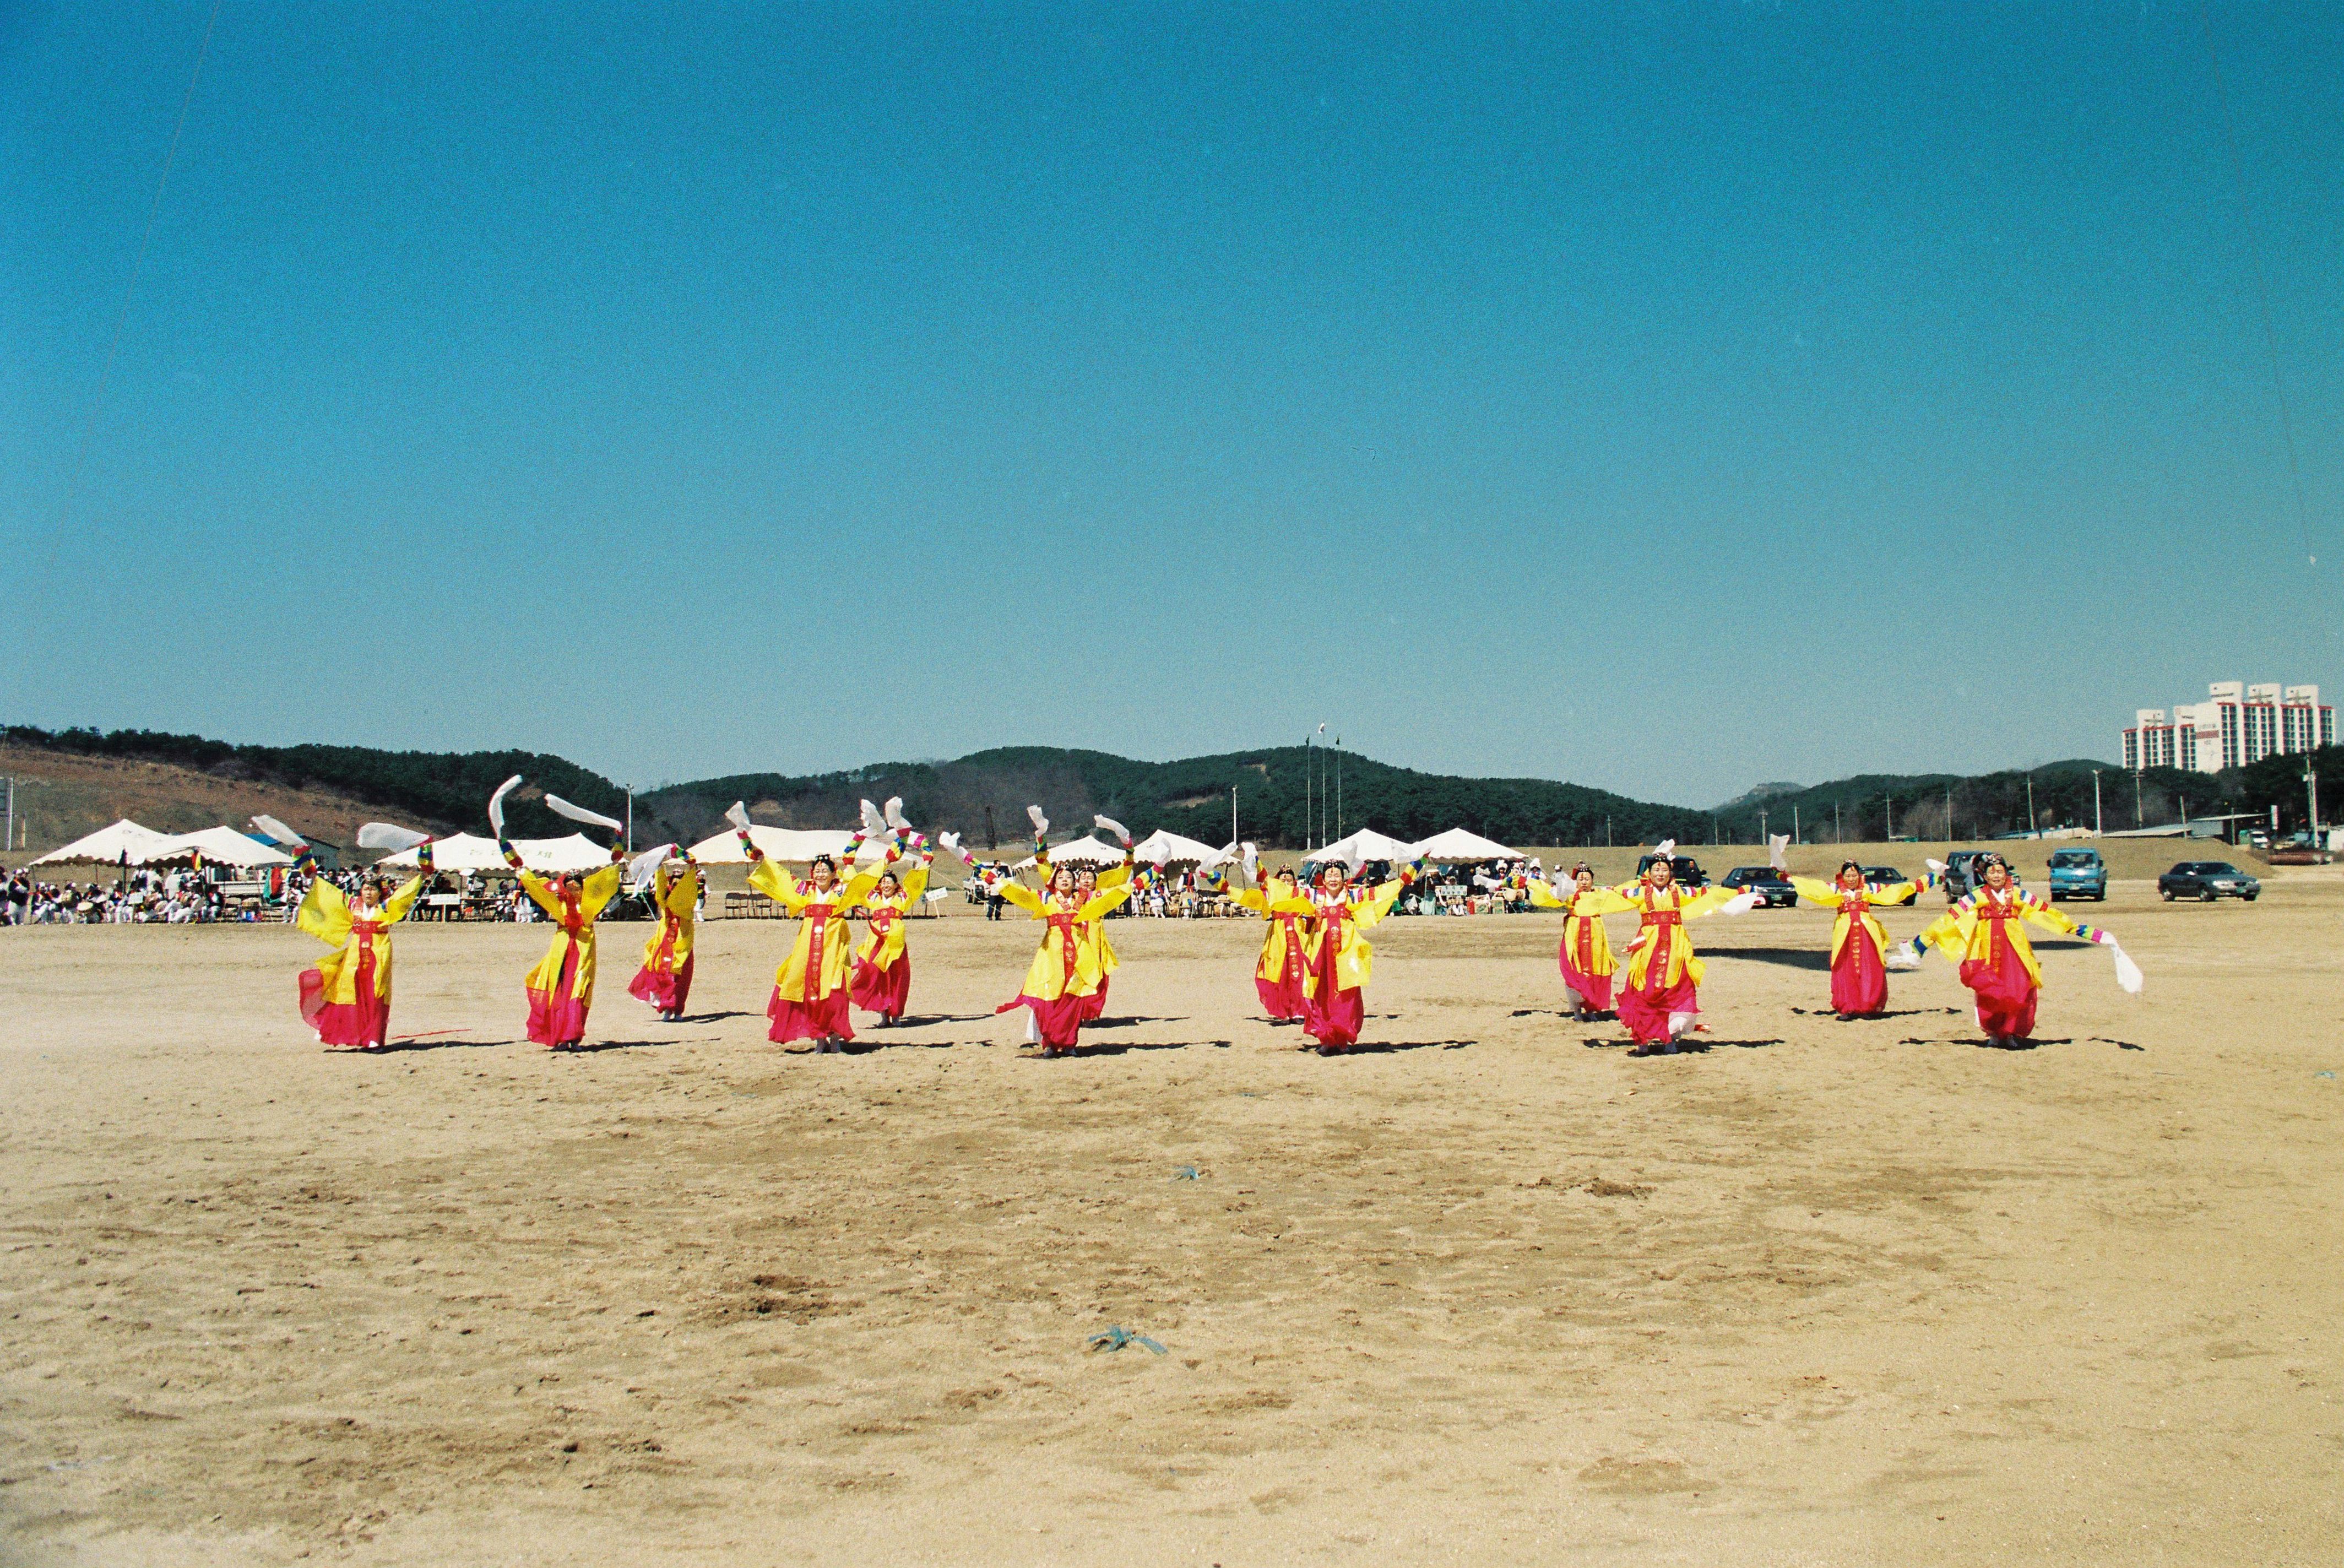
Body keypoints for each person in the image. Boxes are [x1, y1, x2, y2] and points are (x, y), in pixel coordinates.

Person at [1909, 854, 2134, 1046]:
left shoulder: (2019, 895)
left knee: (2017, 988)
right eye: (1992, 872)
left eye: (2000, 871)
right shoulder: (1977, 896)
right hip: (1986, 950)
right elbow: (1949, 920)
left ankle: (2009, 1032)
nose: (1996, 876)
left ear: (2007, 874)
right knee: (1990, 991)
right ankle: (1994, 1032)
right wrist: (1920, 945)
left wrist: (2088, 932)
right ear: (1984, 876)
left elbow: (2047, 914)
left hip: (2014, 950)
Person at [744, 831, 886, 1052]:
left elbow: (863, 882)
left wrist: (886, 858)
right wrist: (758, 854)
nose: (820, 874)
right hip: (808, 948)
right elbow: (780, 876)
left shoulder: (842, 891)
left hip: (834, 948)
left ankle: (835, 1037)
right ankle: (819, 1037)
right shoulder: (806, 890)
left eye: (825, 871)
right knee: (810, 991)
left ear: (833, 873)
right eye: (817, 871)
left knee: (835, 992)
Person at [1614, 850, 1757, 1056]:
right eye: (1656, 870)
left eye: (1665, 870)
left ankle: (1671, 1038)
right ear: (1649, 873)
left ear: (1671, 874)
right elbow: (1613, 895)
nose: (1660, 874)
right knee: (1644, 992)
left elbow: (1707, 893)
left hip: (1676, 950)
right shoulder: (1639, 893)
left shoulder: (1680, 893)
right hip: (1647, 952)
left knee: (1676, 992)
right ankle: (1643, 1039)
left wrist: (1737, 892)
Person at [994, 859, 1137, 1056]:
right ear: (1054, 881)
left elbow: (1115, 892)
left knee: (1073, 1002)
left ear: (1075, 882)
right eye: (1060, 877)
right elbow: (1019, 892)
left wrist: (1150, 873)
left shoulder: (1086, 899)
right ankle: (1050, 1044)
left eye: (1069, 877)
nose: (1064, 880)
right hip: (1052, 958)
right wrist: (991, 877)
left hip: (1078, 957)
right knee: (1049, 1001)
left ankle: (1070, 1044)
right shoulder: (1047, 899)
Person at [295, 850, 428, 1051]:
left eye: (372, 890)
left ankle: (374, 1037)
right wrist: (313, 876)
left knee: (376, 993)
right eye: (365, 889)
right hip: (355, 954)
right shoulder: (353, 905)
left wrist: (422, 876)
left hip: (378, 952)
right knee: (348, 990)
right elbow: (331, 894)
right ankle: (346, 1033)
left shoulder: (386, 907)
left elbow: (404, 894)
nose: (368, 893)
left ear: (380, 892)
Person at [504, 839, 627, 1049]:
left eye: (577, 886)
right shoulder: (557, 903)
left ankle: (573, 1035)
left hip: (583, 947)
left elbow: (607, 882)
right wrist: (519, 868)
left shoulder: (590, 903)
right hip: (562, 949)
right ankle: (559, 1035)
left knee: (578, 989)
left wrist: (616, 859)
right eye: (569, 886)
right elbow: (536, 887)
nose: (573, 890)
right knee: (558, 990)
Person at [1295, 858, 1414, 1055]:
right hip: (1321, 957)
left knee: (1346, 995)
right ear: (1323, 880)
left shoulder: (1353, 895)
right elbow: (1286, 893)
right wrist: (1262, 875)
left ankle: (1342, 1039)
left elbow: (1381, 893)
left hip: (1345, 954)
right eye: (1329, 876)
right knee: (1321, 995)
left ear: (1344, 879)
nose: (1333, 879)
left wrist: (1410, 872)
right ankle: (1326, 1038)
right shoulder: (1314, 896)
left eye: (1337, 875)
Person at [1788, 861, 1918, 1019]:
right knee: (1845, 968)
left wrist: (1923, 882)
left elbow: (1893, 891)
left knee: (1869, 968)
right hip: (1845, 936)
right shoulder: (1836, 891)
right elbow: (1814, 887)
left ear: (1859, 876)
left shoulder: (1869, 890)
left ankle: (1867, 1007)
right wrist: (1788, 878)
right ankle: (1848, 1008)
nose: (1851, 879)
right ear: (1842, 877)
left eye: (1854, 876)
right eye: (1848, 876)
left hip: (1866, 935)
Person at [1526, 861, 1629, 1018]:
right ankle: (1577, 1011)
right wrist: (1531, 883)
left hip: (1595, 937)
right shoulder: (1569, 894)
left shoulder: (1600, 894)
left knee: (1594, 970)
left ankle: (1592, 1009)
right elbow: (1548, 893)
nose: (1584, 882)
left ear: (1593, 881)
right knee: (1575, 971)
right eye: (1581, 879)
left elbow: (1619, 893)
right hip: (1574, 936)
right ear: (1576, 881)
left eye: (1587, 879)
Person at [1220, 851, 1313, 1021]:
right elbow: (1248, 897)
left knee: (1301, 972)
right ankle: (1284, 1009)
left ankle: (1300, 1010)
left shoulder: (1302, 893)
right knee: (1279, 972)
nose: (1286, 883)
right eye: (1283, 880)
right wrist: (1225, 887)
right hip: (1278, 936)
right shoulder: (1270, 895)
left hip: (1299, 935)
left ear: (1295, 881)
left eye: (1289, 880)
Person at [850, 840, 934, 1026]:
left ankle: (896, 1014)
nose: (886, 885)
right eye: (883, 882)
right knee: (877, 975)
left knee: (897, 976)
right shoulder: (873, 898)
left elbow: (915, 885)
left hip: (895, 944)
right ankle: (883, 1014)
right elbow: (859, 886)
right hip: (877, 943)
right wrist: (849, 865)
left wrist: (926, 862)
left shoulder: (902, 899)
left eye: (889, 882)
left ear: (896, 885)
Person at [626, 850, 700, 1022]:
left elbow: (691, 887)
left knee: (682, 977)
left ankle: (678, 1009)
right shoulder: (665, 903)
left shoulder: (687, 904)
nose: (675, 888)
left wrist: (691, 867)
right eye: (673, 885)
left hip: (682, 943)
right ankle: (666, 1006)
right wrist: (659, 867)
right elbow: (660, 890)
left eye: (679, 885)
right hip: (665, 941)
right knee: (664, 975)